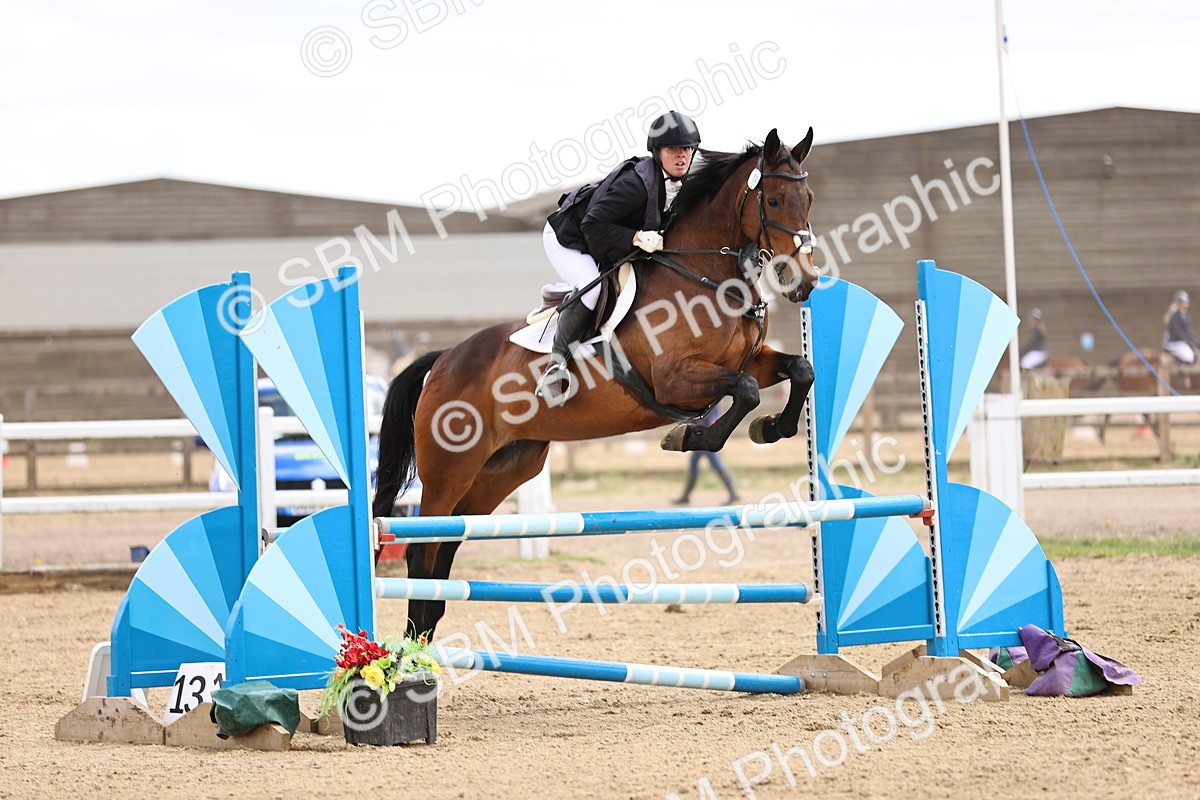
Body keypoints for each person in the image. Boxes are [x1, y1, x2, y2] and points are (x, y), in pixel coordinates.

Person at [537, 110, 702, 400]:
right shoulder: (635, 186)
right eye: (673, 149)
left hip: (603, 240)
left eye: (687, 149)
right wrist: (636, 237)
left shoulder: (682, 184)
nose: (682, 156)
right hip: (568, 237)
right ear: (657, 152)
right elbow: (591, 223)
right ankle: (557, 363)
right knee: (593, 286)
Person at [671, 404, 740, 506]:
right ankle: (686, 496)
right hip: (703, 435)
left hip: (705, 436)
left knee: (715, 465)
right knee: (697, 465)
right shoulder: (710, 398)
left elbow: (707, 417)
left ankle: (733, 494)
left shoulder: (707, 400)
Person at [1163, 290, 1198, 364]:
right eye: (1181, 303)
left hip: (1182, 341)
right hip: (1176, 342)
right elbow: (1178, 333)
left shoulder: (1185, 316)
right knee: (1190, 357)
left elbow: (1187, 331)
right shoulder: (1174, 317)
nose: (1184, 305)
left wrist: (1195, 340)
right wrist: (1190, 342)